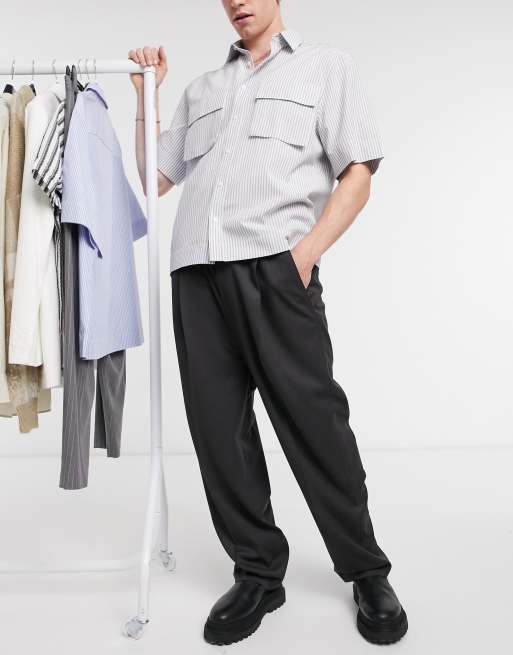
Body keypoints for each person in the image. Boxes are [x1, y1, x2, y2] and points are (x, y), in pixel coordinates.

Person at [129, 0, 408, 647]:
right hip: (196, 275)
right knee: (218, 433)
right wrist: (148, 95)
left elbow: (358, 171)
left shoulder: (324, 68)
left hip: (276, 272)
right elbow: (152, 180)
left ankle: (366, 570)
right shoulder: (203, 89)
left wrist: (303, 257)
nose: (237, 2)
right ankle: (257, 571)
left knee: (315, 424)